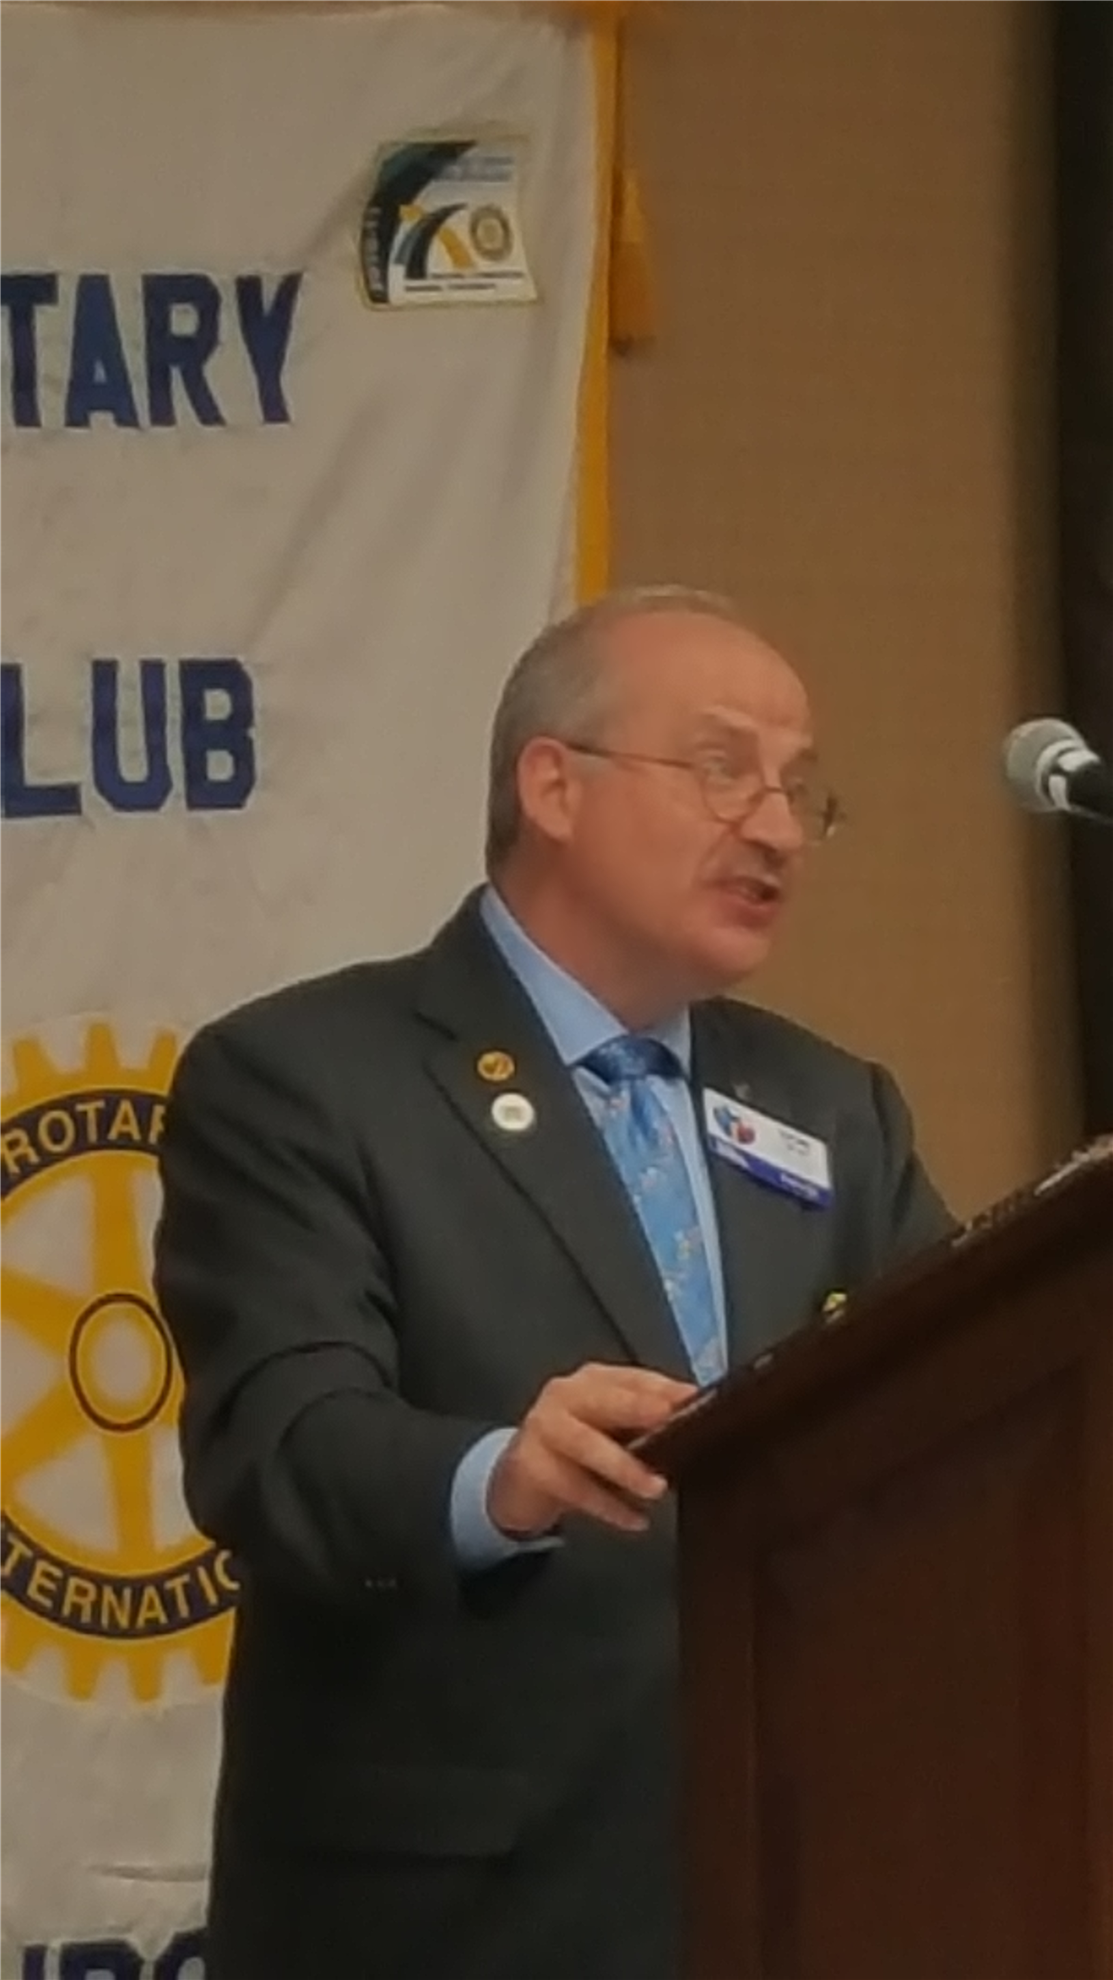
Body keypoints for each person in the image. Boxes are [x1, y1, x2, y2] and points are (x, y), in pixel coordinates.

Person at [154, 586, 952, 1980]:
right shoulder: (306, 1079)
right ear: (554, 785)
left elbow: (965, 1404)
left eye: (797, 789)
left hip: (793, 1885)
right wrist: (497, 1478)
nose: (775, 828)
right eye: (722, 769)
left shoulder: (832, 1108)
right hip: (454, 1918)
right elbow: (278, 1447)